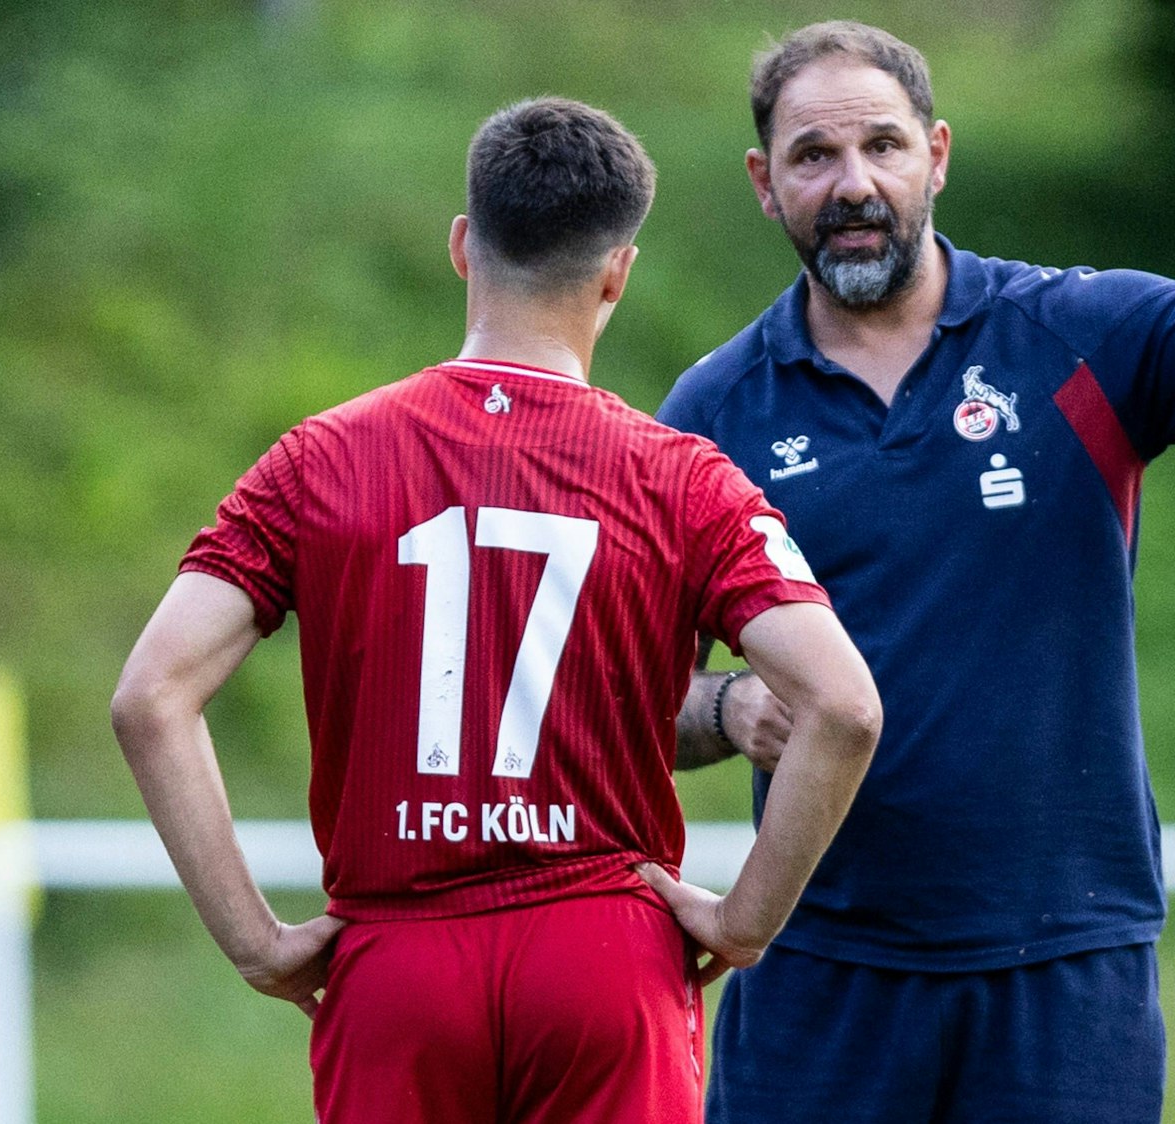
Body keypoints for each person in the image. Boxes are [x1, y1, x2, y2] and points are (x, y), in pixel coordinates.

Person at [656, 21, 1175, 1124]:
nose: (852, 184)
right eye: (813, 157)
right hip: (819, 967)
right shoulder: (713, 415)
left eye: (883, 148)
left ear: (936, 155)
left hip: (1064, 965)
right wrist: (729, 702)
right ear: (765, 182)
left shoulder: (1078, 332)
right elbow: (623, 704)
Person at [110, 96, 880, 1124]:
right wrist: (743, 921)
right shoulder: (682, 479)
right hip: (603, 955)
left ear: (464, 247)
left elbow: (151, 695)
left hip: (397, 962)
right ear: (618, 272)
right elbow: (843, 704)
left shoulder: (319, 460)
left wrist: (254, 938)